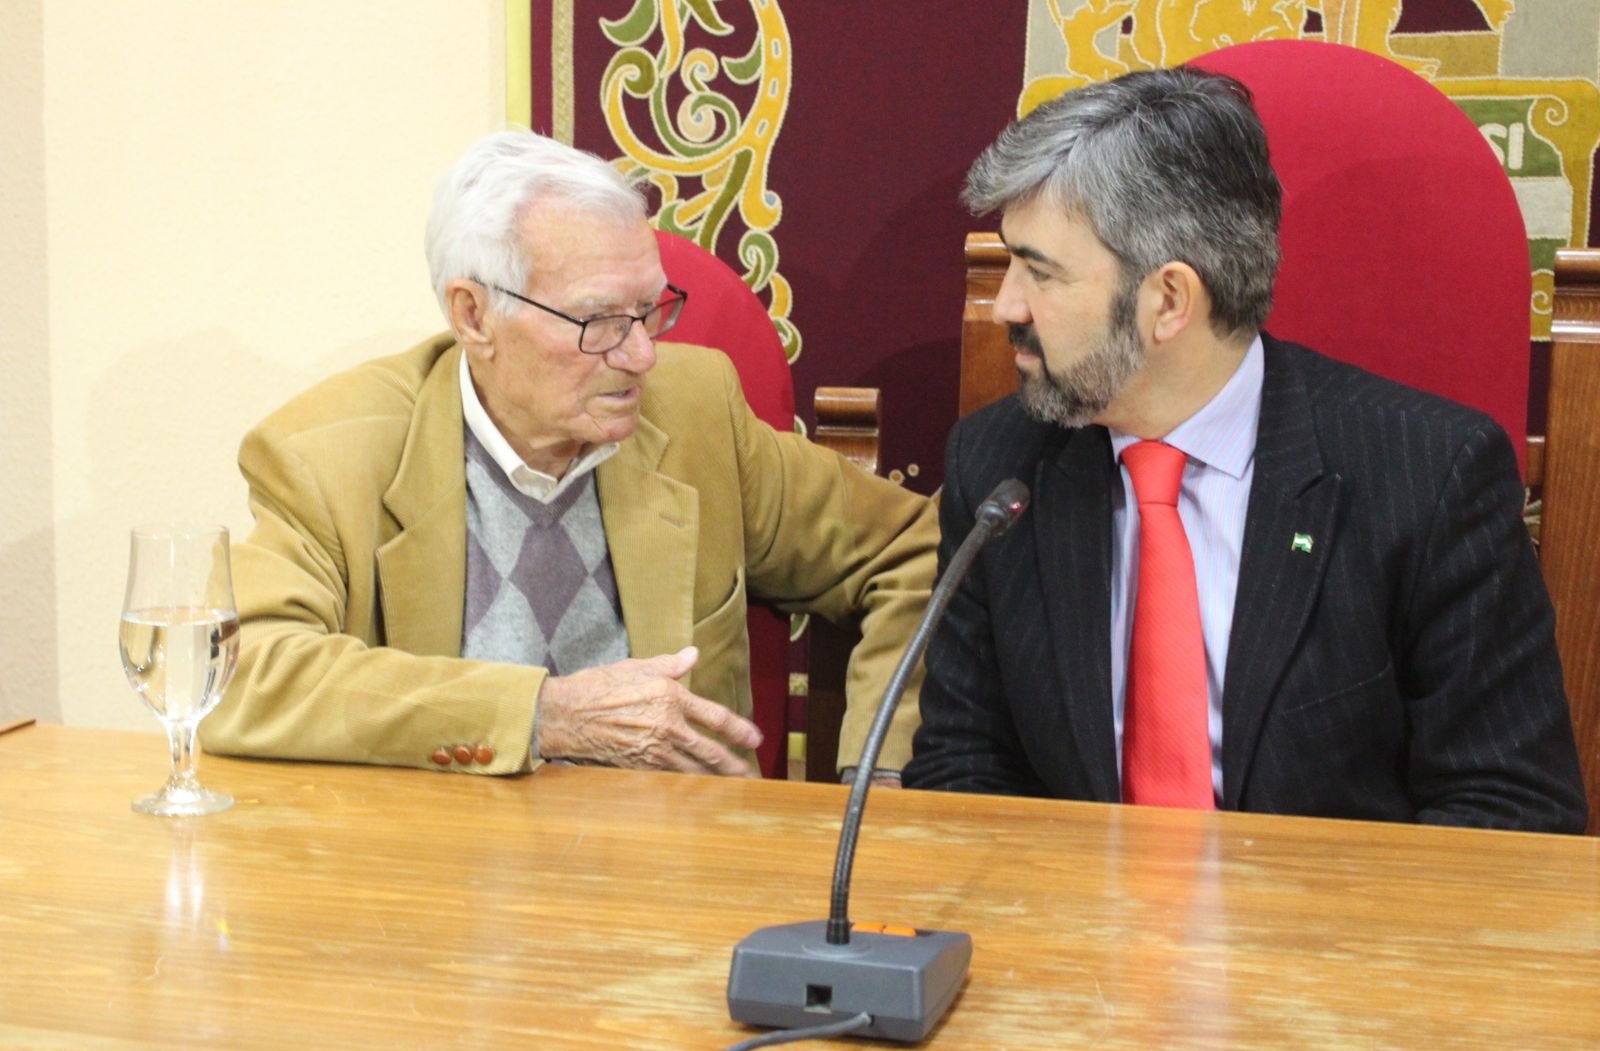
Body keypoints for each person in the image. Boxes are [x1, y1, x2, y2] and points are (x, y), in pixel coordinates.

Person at [902, 67, 1588, 831]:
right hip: (1071, 903)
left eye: (1040, 272)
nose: (1007, 306)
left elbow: (1513, 809)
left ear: (1169, 301)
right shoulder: (1000, 467)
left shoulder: (1429, 477)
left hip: (1332, 904)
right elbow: (962, 767)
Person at [199, 130, 936, 781]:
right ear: (473, 315)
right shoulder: (333, 456)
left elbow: (914, 548)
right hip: (442, 874)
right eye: (598, 320)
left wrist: (881, 772)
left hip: (678, 866)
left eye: (648, 310)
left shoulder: (698, 413)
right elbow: (237, 675)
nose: (642, 354)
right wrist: (541, 714)